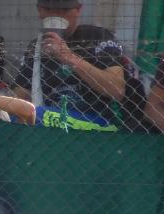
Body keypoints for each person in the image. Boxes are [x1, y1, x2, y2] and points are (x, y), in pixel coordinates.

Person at [9, 0, 141, 130]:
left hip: (98, 120)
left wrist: (68, 57)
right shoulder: (37, 45)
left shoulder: (97, 36)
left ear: (78, 10)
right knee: (8, 114)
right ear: (40, 11)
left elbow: (117, 90)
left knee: (37, 114)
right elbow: (20, 94)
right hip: (51, 118)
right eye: (50, 10)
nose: (57, 16)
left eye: (64, 11)